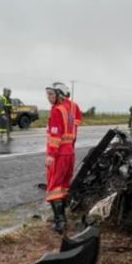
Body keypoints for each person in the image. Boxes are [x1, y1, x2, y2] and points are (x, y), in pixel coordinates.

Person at [45, 81, 78, 234]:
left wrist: (51, 155)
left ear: (59, 94)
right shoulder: (72, 106)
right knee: (64, 185)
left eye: (51, 94)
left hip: (59, 154)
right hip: (70, 152)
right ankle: (62, 216)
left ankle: (60, 222)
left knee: (54, 187)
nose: (48, 97)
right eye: (48, 94)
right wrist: (71, 145)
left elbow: (55, 134)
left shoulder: (57, 110)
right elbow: (76, 126)